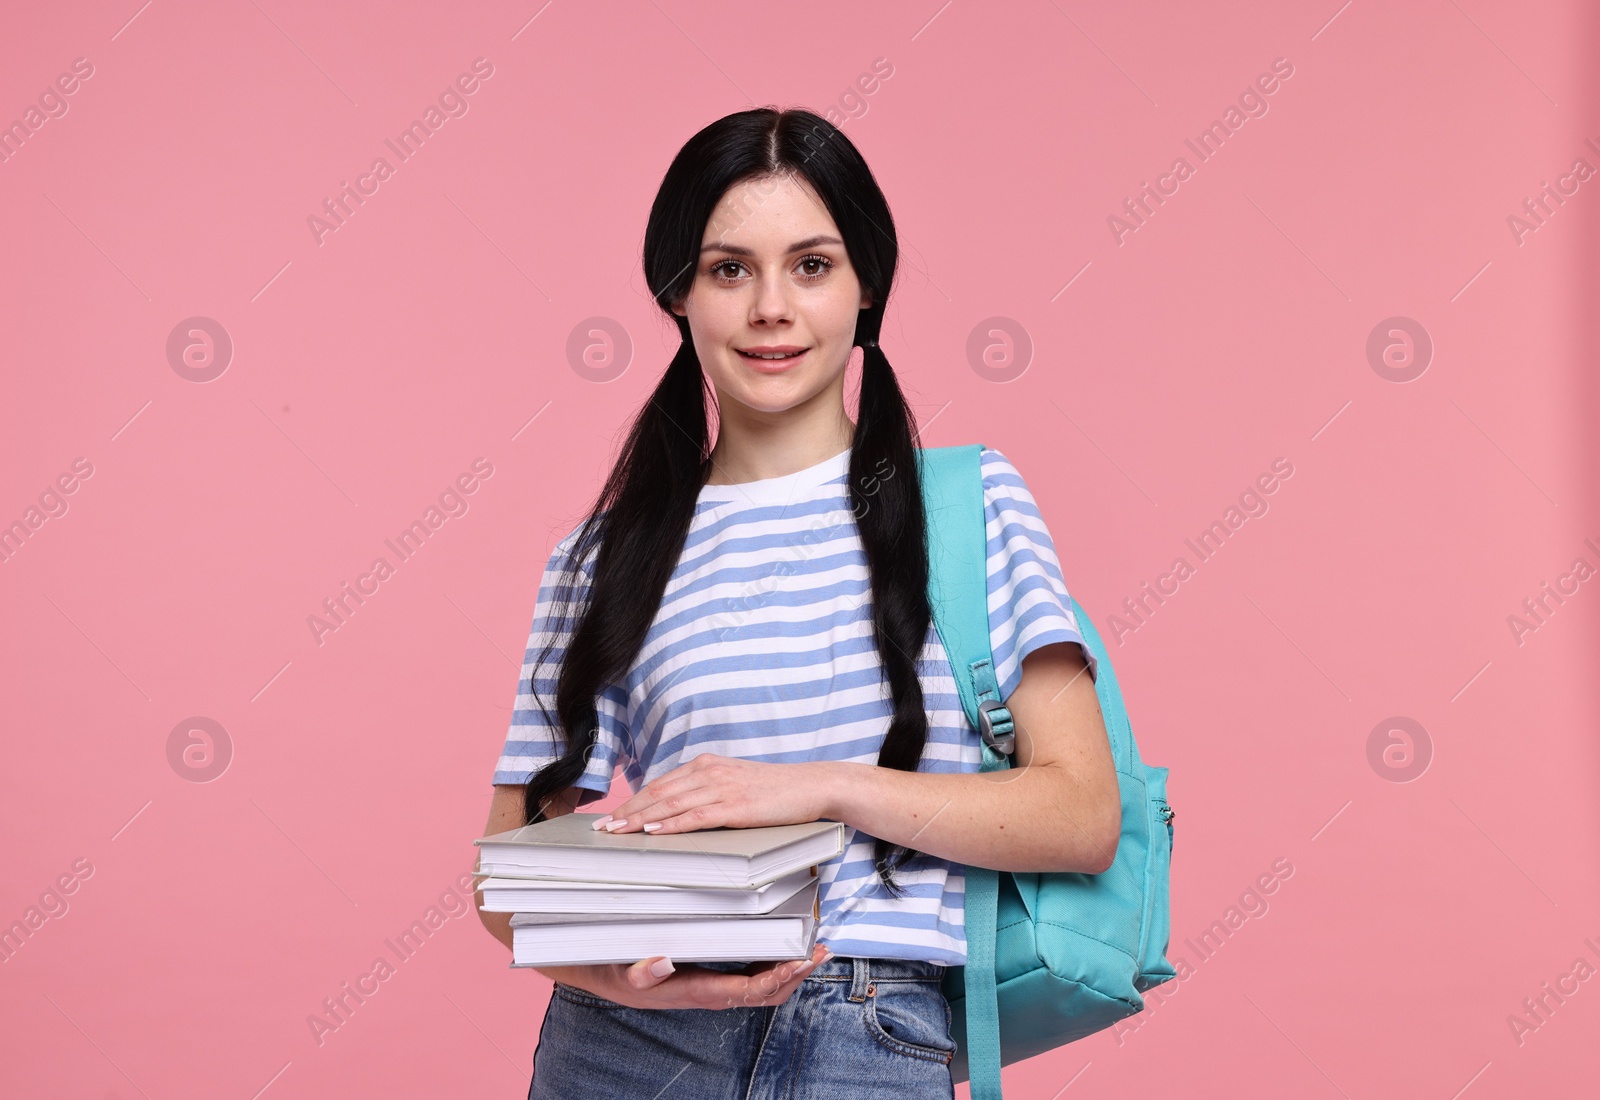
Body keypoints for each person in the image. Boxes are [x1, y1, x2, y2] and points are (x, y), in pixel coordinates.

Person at [474, 105, 1120, 1100]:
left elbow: (1079, 814)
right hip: (626, 1045)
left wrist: (818, 786)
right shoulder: (600, 558)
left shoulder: (968, 505)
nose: (770, 306)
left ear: (866, 290)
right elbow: (506, 872)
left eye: (811, 265)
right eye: (729, 269)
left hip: (872, 1032)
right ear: (678, 293)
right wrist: (607, 972)